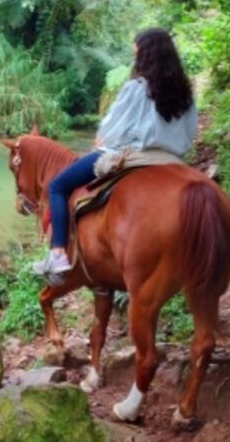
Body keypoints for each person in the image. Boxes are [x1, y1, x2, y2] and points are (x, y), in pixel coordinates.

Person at [32, 28, 198, 283]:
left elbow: (113, 128)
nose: (135, 60)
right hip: (172, 160)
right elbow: (189, 133)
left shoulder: (136, 88)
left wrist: (103, 139)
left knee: (57, 186)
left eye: (137, 54)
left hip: (132, 155)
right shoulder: (184, 93)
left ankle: (58, 255)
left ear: (146, 56)